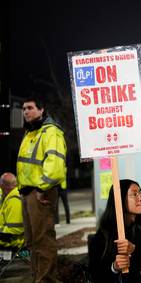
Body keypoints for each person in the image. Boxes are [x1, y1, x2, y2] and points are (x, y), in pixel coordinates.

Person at [17, 95, 67, 282]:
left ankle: (47, 280)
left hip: (40, 193)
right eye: (23, 109)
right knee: (32, 242)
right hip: (27, 193)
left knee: (43, 241)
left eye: (30, 107)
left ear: (41, 109)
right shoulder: (31, 132)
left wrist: (42, 189)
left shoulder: (50, 132)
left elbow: (55, 165)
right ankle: (38, 277)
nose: (26, 112)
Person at [0, 173, 24, 249]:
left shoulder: (14, 200)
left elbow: (15, 229)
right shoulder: (11, 195)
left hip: (11, 242)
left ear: (2, 186)